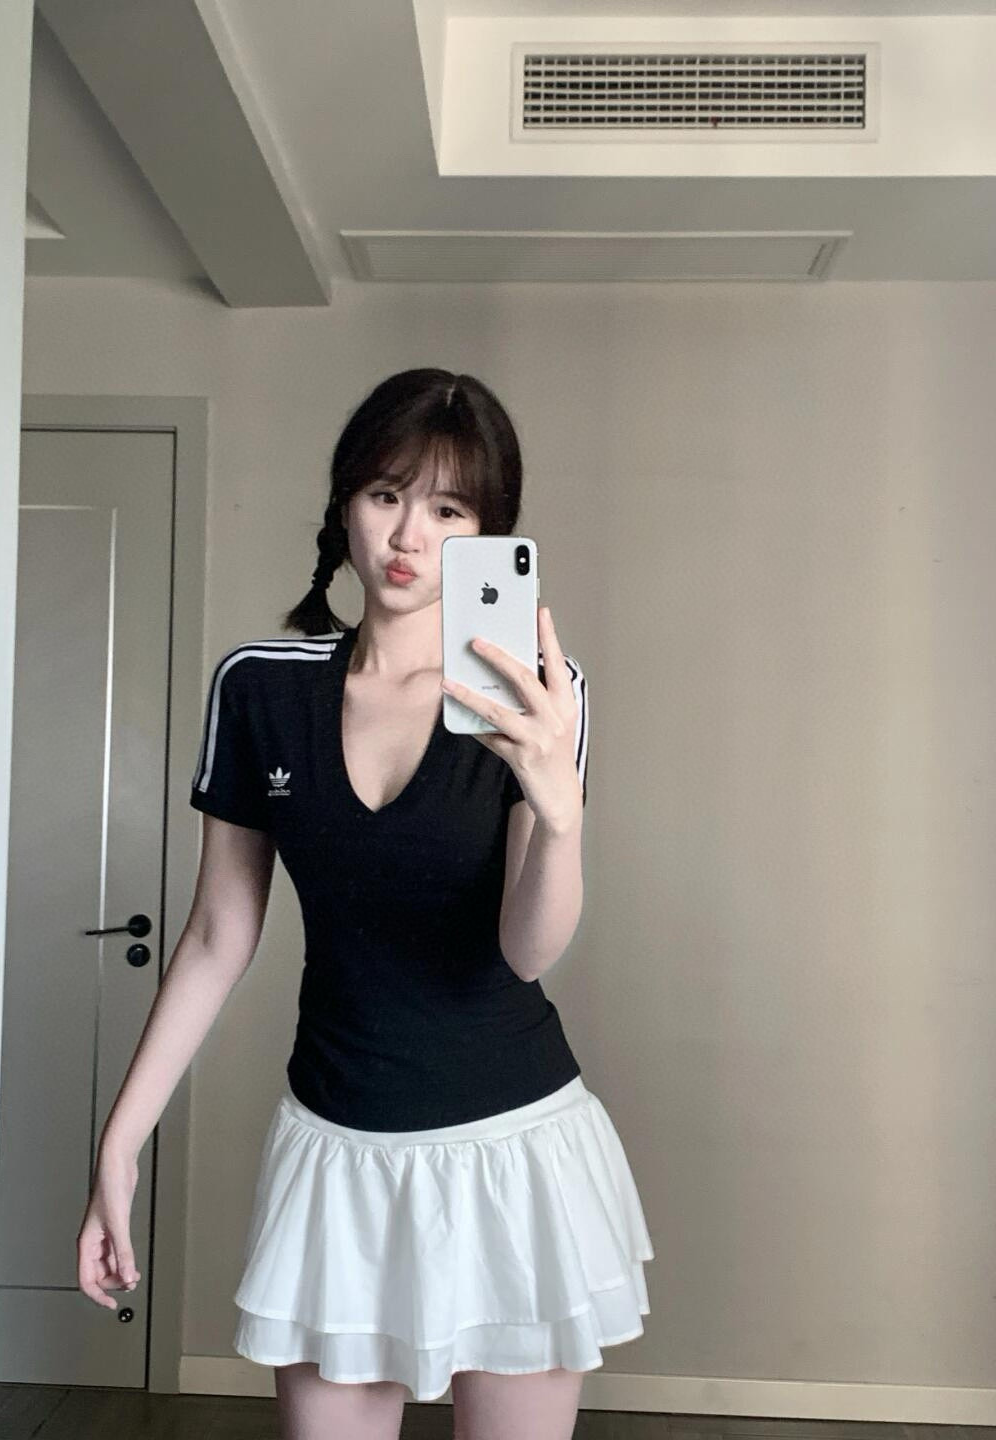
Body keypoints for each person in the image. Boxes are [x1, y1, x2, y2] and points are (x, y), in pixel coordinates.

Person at [77, 369, 654, 1440]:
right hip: (335, 1148)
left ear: (488, 537)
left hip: (513, 1150)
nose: (408, 536)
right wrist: (120, 1143)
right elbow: (217, 935)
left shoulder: (537, 695)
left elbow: (528, 951)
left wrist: (559, 814)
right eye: (387, 494)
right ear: (345, 501)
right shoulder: (259, 687)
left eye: (450, 510)